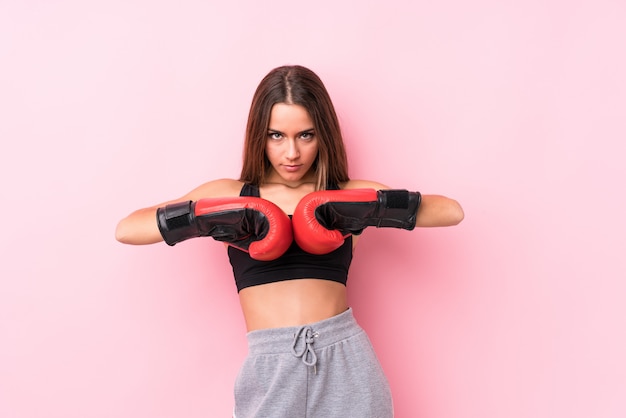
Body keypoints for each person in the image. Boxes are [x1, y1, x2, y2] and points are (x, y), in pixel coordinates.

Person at [115, 65, 464, 418]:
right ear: (259, 136)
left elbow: (451, 211)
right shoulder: (232, 196)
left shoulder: (345, 195)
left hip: (346, 358)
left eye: (306, 135)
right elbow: (128, 229)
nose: (292, 153)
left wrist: (367, 208)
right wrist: (206, 217)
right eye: (277, 136)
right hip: (270, 365)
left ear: (323, 134)